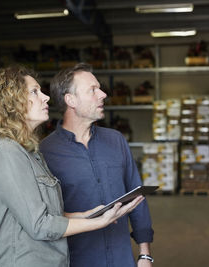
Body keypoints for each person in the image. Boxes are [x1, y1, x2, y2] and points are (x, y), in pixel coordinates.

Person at [0, 65, 145, 267]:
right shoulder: (5, 152)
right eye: (35, 91)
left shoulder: (30, 153)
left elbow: (48, 214)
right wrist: (97, 222)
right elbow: (39, 224)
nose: (45, 97)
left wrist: (89, 214)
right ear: (12, 102)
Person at [40, 63, 154, 267]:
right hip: (77, 260)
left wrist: (144, 254)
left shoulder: (116, 141)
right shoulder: (45, 152)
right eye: (93, 90)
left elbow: (137, 197)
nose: (103, 94)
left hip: (122, 259)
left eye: (99, 88)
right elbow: (44, 217)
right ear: (70, 100)